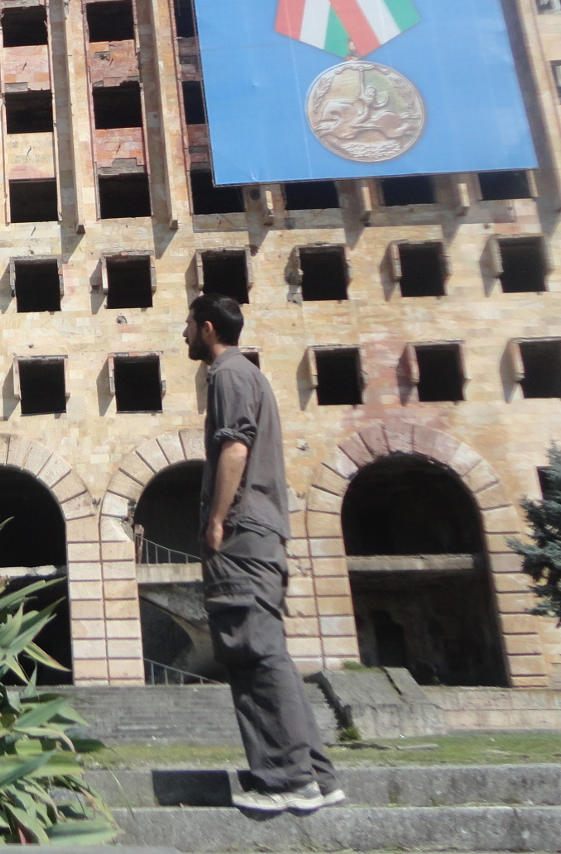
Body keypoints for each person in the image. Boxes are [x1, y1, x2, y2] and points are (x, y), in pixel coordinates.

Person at [184, 292, 345, 813]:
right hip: (263, 532)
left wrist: (216, 519)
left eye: (187, 326)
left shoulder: (227, 375)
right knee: (269, 650)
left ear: (207, 329)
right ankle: (315, 775)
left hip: (242, 533)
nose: (183, 336)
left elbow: (235, 446)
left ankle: (285, 778)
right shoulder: (251, 376)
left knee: (250, 649)